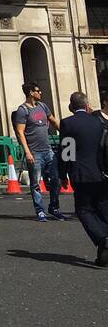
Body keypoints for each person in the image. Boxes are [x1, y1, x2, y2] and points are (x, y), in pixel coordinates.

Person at [57, 91, 108, 265]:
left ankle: (103, 238)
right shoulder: (98, 122)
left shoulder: (68, 123)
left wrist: (63, 173)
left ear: (71, 107)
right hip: (101, 172)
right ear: (87, 106)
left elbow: (67, 151)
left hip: (81, 173)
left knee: (84, 209)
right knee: (102, 207)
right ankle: (103, 253)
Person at [14, 81, 64, 222]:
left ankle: (54, 207)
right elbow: (20, 132)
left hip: (48, 150)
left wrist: (68, 132)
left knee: (56, 179)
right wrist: (27, 152)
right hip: (34, 152)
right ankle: (40, 210)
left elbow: (54, 121)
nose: (40, 92)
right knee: (35, 183)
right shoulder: (22, 110)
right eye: (38, 90)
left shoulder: (43, 106)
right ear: (31, 92)